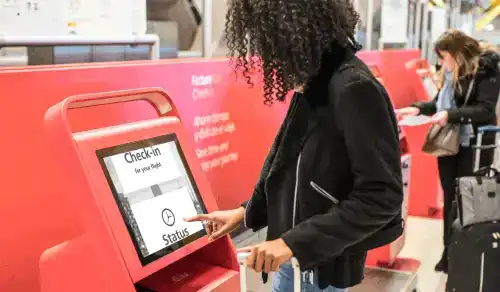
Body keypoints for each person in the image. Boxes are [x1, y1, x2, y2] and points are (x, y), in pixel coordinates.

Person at [185, 1, 404, 291]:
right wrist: (245, 214)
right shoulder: (316, 81)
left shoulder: (353, 88)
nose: (264, 52)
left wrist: (292, 243)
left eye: (267, 39)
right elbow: (287, 166)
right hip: (298, 262)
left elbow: (382, 196)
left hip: (318, 269)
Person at [397, 30, 500, 274]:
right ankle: (449, 251)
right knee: (450, 199)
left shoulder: (487, 70)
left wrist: (450, 115)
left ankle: (465, 253)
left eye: (445, 57)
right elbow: (440, 103)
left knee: (466, 201)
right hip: (450, 146)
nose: (442, 63)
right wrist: (417, 109)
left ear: (458, 53)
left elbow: (485, 110)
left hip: (473, 146)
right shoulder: (451, 73)